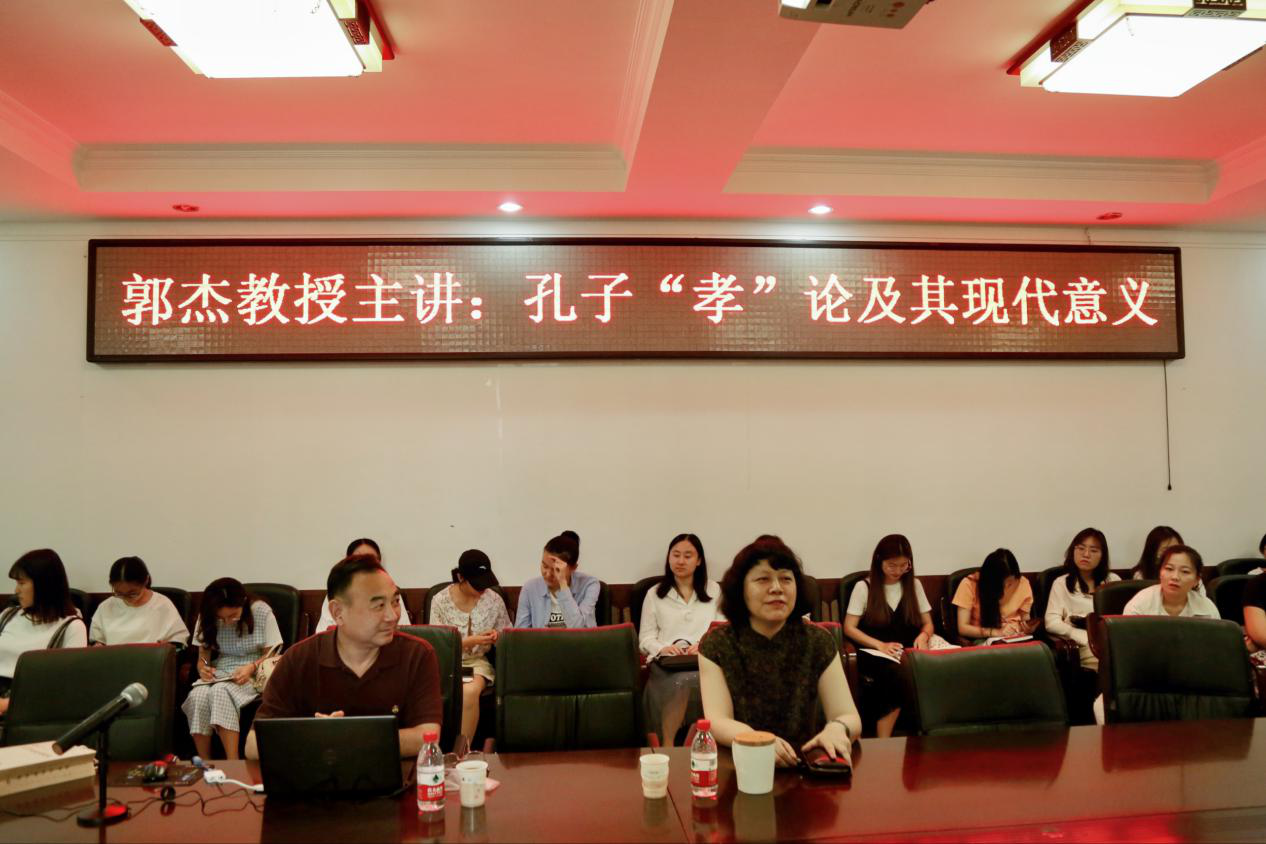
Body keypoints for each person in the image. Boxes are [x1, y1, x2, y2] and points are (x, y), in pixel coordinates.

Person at [246, 554, 441, 759]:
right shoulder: (299, 659)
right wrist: (315, 737)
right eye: (378, 606)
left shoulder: (417, 655)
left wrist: (345, 737)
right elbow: (252, 745)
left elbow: (428, 736)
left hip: (398, 775)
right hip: (319, 775)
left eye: (395, 602)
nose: (393, 615)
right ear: (337, 612)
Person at [699, 536, 861, 768]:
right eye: (763, 579)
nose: (776, 588)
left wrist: (838, 728)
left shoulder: (818, 641)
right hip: (741, 766)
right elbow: (716, 720)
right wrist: (757, 740)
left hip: (806, 763)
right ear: (740, 589)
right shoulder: (717, 644)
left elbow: (848, 716)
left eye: (786, 579)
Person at [842, 534, 934, 738]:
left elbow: (928, 623)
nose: (898, 571)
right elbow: (849, 628)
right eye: (892, 565)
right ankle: (884, 739)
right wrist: (880, 645)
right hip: (875, 651)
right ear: (879, 561)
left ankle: (928, 735)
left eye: (904, 565)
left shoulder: (914, 585)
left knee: (935, 667)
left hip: (908, 649)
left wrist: (924, 635)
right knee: (897, 673)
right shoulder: (864, 587)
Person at [183, 578, 283, 760]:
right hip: (222, 670)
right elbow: (203, 657)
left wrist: (252, 667)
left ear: (243, 602)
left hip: (255, 671)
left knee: (220, 692)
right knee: (197, 696)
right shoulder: (207, 614)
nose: (227, 622)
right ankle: (205, 762)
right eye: (221, 618)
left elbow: (272, 655)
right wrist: (204, 668)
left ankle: (232, 761)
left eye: (233, 616)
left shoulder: (261, 611)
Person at [639, 533, 723, 746]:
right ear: (668, 558)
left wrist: (704, 645)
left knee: (692, 680)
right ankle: (668, 746)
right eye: (675, 555)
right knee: (681, 681)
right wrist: (663, 648)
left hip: (703, 661)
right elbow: (645, 638)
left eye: (687, 556)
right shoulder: (654, 594)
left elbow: (722, 631)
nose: (680, 561)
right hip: (667, 665)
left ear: (699, 560)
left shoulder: (714, 590)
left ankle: (705, 743)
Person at [427, 549, 511, 743]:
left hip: (477, 662)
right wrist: (470, 641)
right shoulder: (440, 600)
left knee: (469, 691)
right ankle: (438, 746)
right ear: (460, 577)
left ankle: (462, 750)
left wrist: (496, 636)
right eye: (477, 585)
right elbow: (437, 644)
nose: (482, 590)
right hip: (446, 663)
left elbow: (507, 635)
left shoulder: (493, 599)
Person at [0, 549, 87, 715]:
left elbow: (66, 686)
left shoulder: (72, 627)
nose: (16, 590)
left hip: (29, 705)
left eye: (22, 583)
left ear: (43, 585)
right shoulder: (7, 615)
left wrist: (7, 704)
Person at [1044, 528, 1120, 670]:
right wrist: (1078, 635)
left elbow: (1123, 617)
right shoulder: (1061, 583)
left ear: (1102, 556)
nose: (1086, 554)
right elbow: (1051, 622)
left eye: (1093, 550)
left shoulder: (1113, 581)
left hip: (1111, 641)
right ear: (1073, 550)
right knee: (1109, 665)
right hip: (1083, 644)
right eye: (1081, 548)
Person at [315, 538, 412, 631]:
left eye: (371, 560)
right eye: (359, 560)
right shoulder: (338, 593)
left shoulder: (390, 591)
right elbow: (324, 633)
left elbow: (405, 630)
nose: (365, 566)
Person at [89, 556, 189, 646]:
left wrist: (168, 646)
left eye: (133, 593)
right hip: (113, 660)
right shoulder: (106, 606)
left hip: (151, 659)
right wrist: (98, 645)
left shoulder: (162, 604)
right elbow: (96, 640)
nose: (126, 598)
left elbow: (179, 640)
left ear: (146, 580)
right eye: (119, 593)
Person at [515, 531, 600, 628]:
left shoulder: (589, 585)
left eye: (556, 570)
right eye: (545, 566)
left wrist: (563, 585)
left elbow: (579, 629)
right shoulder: (530, 588)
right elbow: (520, 633)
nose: (548, 574)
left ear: (573, 568)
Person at [953, 548, 1037, 644]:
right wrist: (995, 632)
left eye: (1010, 583)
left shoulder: (1023, 583)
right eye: (1001, 584)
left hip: (1016, 637)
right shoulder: (969, 584)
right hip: (985, 638)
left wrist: (1028, 629)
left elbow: (1025, 619)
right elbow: (962, 628)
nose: (1006, 588)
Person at [1123, 545, 1219, 619]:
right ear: (1160, 573)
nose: (1175, 577)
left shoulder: (1207, 609)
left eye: (1185, 571)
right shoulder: (1140, 604)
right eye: (1169, 569)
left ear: (1196, 580)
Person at [1131, 526, 1205, 595]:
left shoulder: (1192, 575)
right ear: (1153, 552)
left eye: (1176, 549)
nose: (1172, 554)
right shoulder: (1141, 575)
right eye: (1166, 550)